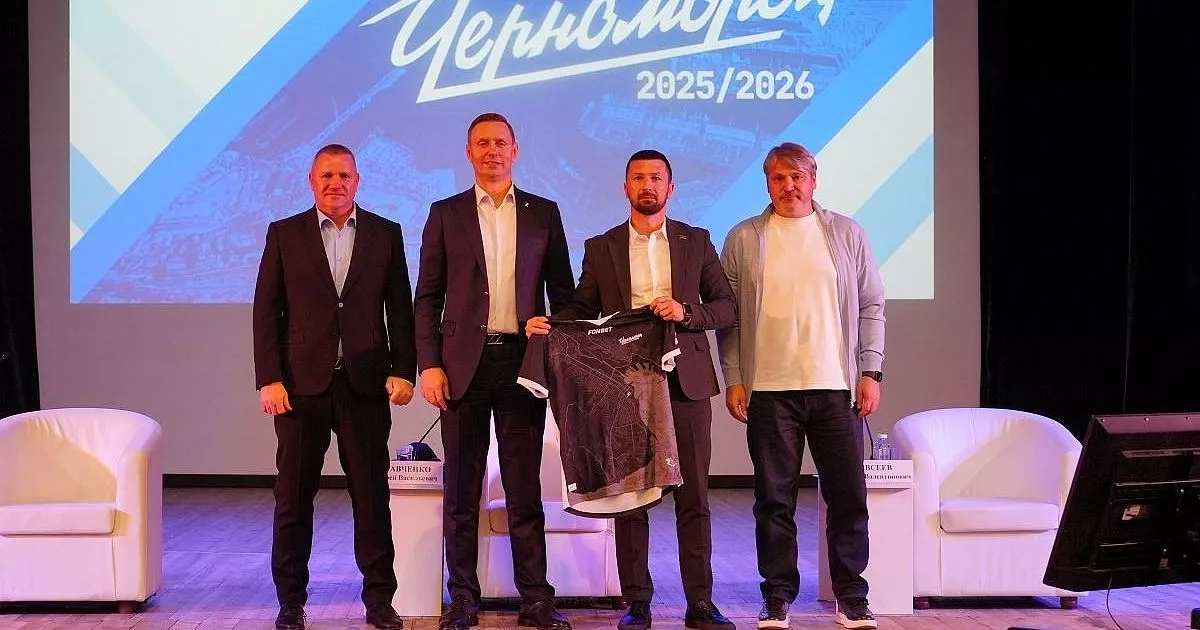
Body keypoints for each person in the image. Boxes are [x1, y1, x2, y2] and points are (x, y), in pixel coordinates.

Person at [527, 149, 737, 630]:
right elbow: (583, 310)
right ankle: (637, 604)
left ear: (670, 187)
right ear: (626, 187)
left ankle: (700, 604)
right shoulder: (602, 246)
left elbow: (726, 307)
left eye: (656, 178)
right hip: (625, 384)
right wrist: (549, 324)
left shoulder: (696, 241)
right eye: (638, 178)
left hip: (685, 382)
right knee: (632, 498)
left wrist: (686, 312)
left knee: (694, 497)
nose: (648, 185)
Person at [414, 113, 576, 630]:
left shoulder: (544, 213)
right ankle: (463, 599)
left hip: (522, 365)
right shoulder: (445, 213)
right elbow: (427, 298)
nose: (492, 151)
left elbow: (564, 295)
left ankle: (536, 599)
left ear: (515, 149)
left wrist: (552, 329)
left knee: (524, 489)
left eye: (500, 143)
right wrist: (429, 365)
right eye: (482, 143)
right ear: (468, 152)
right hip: (461, 366)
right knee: (461, 492)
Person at [717, 142, 885, 630]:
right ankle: (777, 598)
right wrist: (734, 378)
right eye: (778, 178)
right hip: (769, 390)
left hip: (836, 388)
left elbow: (872, 305)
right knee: (774, 501)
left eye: (797, 177)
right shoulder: (743, 237)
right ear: (767, 184)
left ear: (814, 180)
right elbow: (729, 319)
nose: (788, 186)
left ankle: (852, 596)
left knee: (848, 497)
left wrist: (870, 371)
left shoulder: (846, 232)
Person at [253, 143, 416, 630]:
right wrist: (270, 378)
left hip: (364, 386)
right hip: (300, 389)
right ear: (311, 181)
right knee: (293, 498)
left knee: (371, 498)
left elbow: (400, 310)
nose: (335, 183)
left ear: (357, 181)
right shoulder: (284, 234)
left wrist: (404, 369)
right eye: (326, 175)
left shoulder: (386, 233)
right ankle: (290, 603)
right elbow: (266, 312)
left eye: (344, 175)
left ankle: (379, 601)